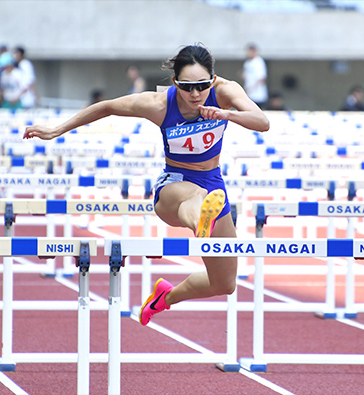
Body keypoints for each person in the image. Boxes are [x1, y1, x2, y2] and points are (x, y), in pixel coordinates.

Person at [24, 44, 269, 326]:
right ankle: (200, 223)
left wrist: (226, 114)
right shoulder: (158, 104)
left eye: (201, 86)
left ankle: (165, 297)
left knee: (224, 283)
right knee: (199, 196)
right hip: (173, 186)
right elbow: (107, 107)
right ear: (175, 83)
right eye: (187, 87)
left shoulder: (225, 91)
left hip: (214, 184)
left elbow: (262, 122)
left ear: (212, 81)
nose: (195, 94)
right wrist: (57, 129)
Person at [242, 43, 268, 109]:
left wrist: (252, 88)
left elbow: (261, 77)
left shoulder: (258, 62)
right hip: (249, 93)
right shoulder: (247, 63)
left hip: (257, 93)